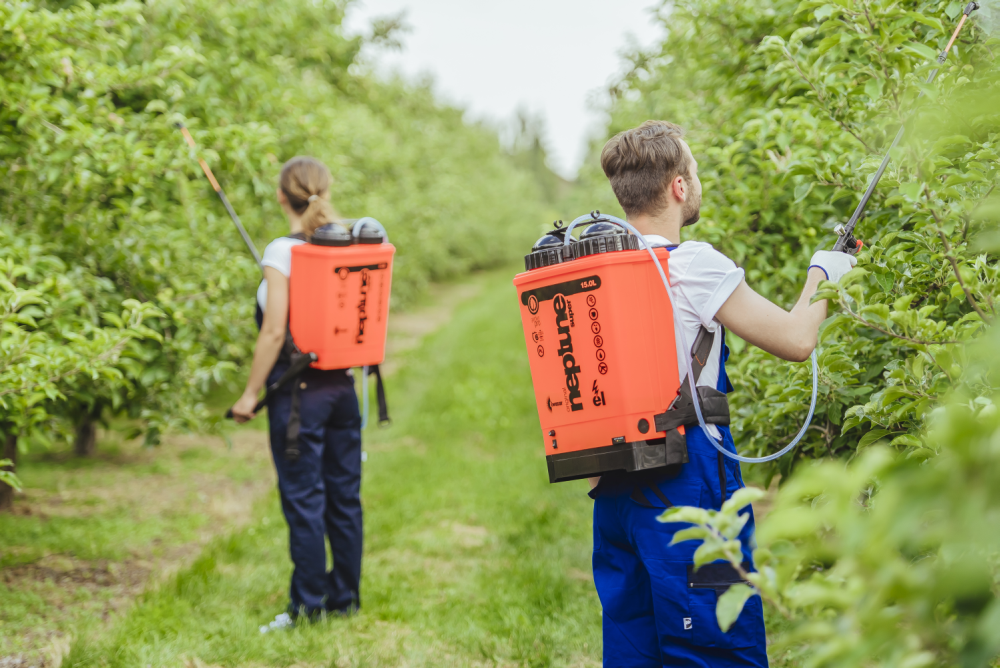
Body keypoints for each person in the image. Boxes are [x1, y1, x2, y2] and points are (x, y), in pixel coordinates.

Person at [589, 121, 856, 667]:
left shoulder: (594, 269)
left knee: (634, 651)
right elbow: (795, 339)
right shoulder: (689, 264)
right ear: (678, 187)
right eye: (694, 168)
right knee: (715, 646)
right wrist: (827, 274)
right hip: (685, 483)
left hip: (613, 488)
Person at [230, 156, 363, 627]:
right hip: (343, 391)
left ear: (281, 196)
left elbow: (273, 332)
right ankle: (345, 599)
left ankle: (308, 607)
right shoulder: (351, 243)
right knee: (345, 495)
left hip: (298, 399)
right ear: (325, 191)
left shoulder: (281, 251)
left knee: (305, 498)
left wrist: (248, 396)